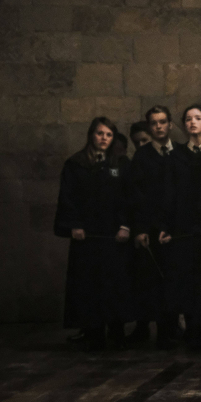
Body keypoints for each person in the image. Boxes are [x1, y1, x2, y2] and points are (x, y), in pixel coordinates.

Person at [54, 117, 132, 352]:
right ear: (91, 135)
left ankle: (117, 333)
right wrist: (74, 225)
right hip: (86, 237)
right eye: (100, 133)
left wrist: (125, 225)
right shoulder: (76, 164)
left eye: (108, 134)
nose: (104, 138)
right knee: (89, 285)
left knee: (114, 284)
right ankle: (94, 333)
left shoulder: (120, 163)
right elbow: (68, 197)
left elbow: (129, 197)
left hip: (114, 236)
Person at [158, 105, 201, 352]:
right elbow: (169, 194)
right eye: (188, 119)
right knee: (187, 283)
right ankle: (193, 333)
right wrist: (166, 226)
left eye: (197, 118)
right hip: (184, 230)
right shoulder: (176, 156)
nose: (192, 122)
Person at [128, 105, 180, 349]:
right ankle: (160, 331)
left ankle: (174, 328)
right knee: (153, 281)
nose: (158, 126)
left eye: (162, 122)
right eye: (154, 123)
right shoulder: (142, 157)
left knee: (174, 279)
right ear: (149, 127)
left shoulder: (179, 153)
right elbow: (136, 196)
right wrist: (140, 229)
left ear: (170, 124)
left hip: (175, 230)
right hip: (151, 228)